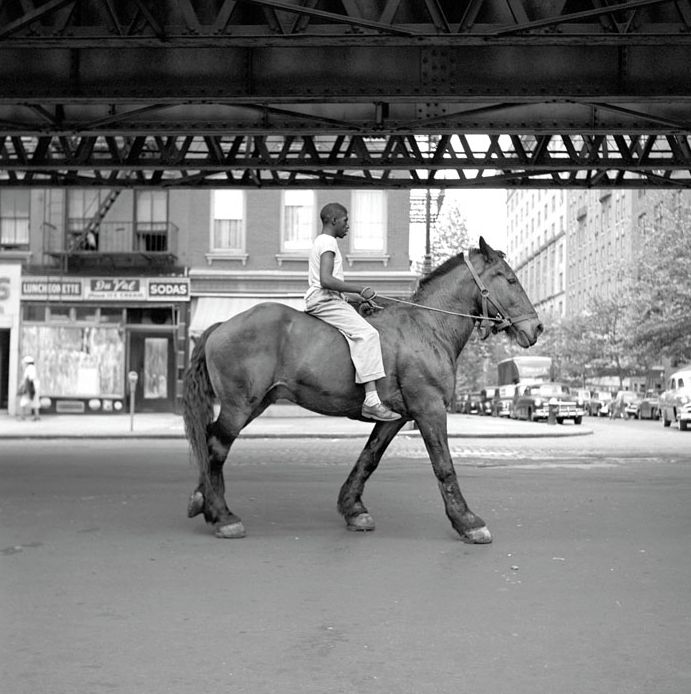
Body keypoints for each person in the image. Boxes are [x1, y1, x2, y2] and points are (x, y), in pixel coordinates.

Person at [304, 202, 401, 422]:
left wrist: (359, 299)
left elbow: (331, 286)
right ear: (333, 220)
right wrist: (360, 288)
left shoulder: (321, 241)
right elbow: (326, 281)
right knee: (368, 334)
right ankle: (371, 401)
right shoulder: (328, 242)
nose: (348, 226)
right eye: (346, 221)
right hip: (324, 300)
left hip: (326, 298)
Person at [18, 355, 40, 421]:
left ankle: (22, 416)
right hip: (34, 387)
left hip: (30, 388)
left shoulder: (29, 368)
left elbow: (28, 379)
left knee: (23, 401)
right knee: (35, 402)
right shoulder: (33, 368)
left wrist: (22, 386)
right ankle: (37, 416)